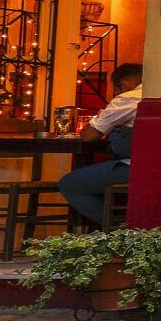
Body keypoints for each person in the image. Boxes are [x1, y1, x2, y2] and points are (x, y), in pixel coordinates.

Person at [58, 63, 141, 227]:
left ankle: (120, 231)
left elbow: (89, 135)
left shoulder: (128, 98)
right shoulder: (160, 95)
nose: (116, 94)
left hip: (135, 168)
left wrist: (102, 116)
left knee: (70, 184)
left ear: (124, 84)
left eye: (116, 89)